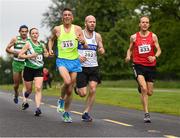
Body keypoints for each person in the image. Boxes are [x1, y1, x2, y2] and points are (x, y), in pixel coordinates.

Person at [48, 8, 88, 123]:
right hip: (62, 61)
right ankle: (61, 100)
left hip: (75, 61)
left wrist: (83, 41)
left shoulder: (77, 29)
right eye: (65, 15)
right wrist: (50, 49)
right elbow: (51, 40)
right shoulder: (57, 29)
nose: (67, 16)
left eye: (69, 15)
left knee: (70, 90)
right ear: (62, 18)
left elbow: (85, 46)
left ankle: (66, 112)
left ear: (72, 17)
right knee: (67, 81)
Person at [125, 16, 161, 123]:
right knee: (144, 88)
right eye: (143, 22)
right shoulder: (134, 37)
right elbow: (130, 49)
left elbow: (158, 50)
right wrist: (128, 56)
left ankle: (141, 87)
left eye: (147, 22)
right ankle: (146, 113)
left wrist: (155, 57)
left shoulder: (153, 36)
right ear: (139, 24)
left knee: (149, 92)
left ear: (149, 24)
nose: (145, 24)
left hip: (150, 66)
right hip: (138, 65)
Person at [74, 15, 105, 122]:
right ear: (85, 23)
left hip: (93, 67)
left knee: (92, 88)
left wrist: (101, 50)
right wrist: (78, 57)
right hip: (81, 67)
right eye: (90, 22)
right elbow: (70, 49)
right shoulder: (79, 34)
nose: (92, 24)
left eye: (94, 22)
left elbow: (101, 47)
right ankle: (77, 88)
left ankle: (86, 112)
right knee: (82, 93)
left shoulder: (97, 36)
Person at [18, 28, 49, 116]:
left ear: (38, 35)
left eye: (36, 33)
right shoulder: (28, 44)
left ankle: (38, 108)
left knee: (38, 88)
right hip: (28, 69)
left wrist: (47, 54)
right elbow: (20, 55)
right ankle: (26, 95)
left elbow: (46, 54)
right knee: (29, 89)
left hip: (39, 69)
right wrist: (30, 56)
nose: (35, 35)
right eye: (33, 33)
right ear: (30, 35)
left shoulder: (42, 45)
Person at [6, 25, 29, 104]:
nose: (24, 33)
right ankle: (16, 93)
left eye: (25, 31)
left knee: (25, 82)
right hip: (16, 62)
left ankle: (24, 101)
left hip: (25, 63)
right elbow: (7, 49)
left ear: (27, 32)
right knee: (16, 85)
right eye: (22, 31)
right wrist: (16, 52)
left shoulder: (29, 40)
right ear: (19, 32)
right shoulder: (15, 39)